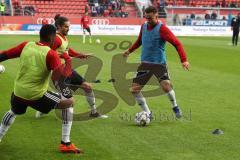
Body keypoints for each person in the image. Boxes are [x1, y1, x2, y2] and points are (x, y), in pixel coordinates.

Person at [0, 25, 83, 154]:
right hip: (36, 95)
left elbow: (4, 55)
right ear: (52, 37)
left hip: (18, 91)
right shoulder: (51, 54)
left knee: (13, 111)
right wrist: (68, 94)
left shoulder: (26, 45)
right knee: (69, 104)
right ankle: (65, 143)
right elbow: (58, 80)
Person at [123, 6, 190, 119]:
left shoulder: (162, 29)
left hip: (159, 64)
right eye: (146, 18)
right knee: (134, 90)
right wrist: (129, 51)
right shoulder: (144, 26)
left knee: (166, 86)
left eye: (150, 18)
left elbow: (177, 43)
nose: (148, 20)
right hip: (145, 64)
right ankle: (148, 113)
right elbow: (140, 41)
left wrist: (184, 60)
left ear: (156, 15)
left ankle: (175, 106)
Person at [36, 15, 108, 119]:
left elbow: (68, 51)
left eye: (68, 26)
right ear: (59, 27)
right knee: (67, 100)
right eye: (65, 26)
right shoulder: (56, 39)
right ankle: (44, 107)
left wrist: (81, 55)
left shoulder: (64, 38)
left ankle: (94, 112)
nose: (68, 28)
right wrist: (62, 56)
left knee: (87, 87)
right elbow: (47, 52)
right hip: (59, 74)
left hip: (67, 70)